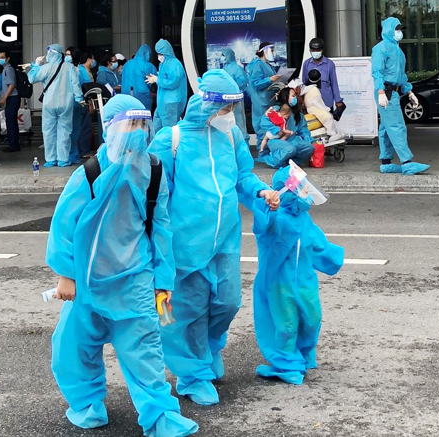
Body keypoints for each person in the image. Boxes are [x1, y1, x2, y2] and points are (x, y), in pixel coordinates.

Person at [47, 94, 199, 437]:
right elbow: (63, 226)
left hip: (134, 282)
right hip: (88, 283)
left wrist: (163, 280)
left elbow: (160, 228)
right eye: (130, 123)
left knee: (144, 351)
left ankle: (161, 415)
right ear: (109, 128)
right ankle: (86, 404)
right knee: (73, 348)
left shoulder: (153, 171)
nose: (138, 132)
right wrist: (65, 275)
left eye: (143, 124)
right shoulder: (89, 173)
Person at [148, 69, 280, 406]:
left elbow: (243, 176)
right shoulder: (170, 140)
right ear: (207, 105)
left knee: (227, 301)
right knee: (186, 311)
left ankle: (207, 349)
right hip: (184, 246)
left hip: (224, 241)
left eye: (234, 109)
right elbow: (155, 197)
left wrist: (262, 191)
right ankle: (192, 375)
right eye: (225, 109)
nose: (230, 116)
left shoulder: (232, 135)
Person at [251, 166, 344, 385]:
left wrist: (334, 257)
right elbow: (265, 227)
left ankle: (302, 353)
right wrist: (271, 210)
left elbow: (318, 244)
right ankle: (286, 363)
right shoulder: (279, 219)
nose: (305, 193)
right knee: (287, 325)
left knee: (312, 319)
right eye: (300, 189)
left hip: (305, 282)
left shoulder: (304, 219)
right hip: (279, 284)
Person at [372, 17, 430, 175]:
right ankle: (407, 162)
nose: (399, 32)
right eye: (396, 29)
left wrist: (409, 91)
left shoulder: (398, 51)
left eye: (400, 29)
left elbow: (401, 75)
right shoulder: (381, 48)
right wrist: (380, 91)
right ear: (389, 30)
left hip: (394, 92)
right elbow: (377, 72)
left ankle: (386, 162)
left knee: (386, 128)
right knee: (397, 127)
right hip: (387, 92)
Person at [28, 43, 84, 167]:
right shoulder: (69, 67)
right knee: (65, 131)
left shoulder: (45, 68)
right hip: (66, 104)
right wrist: (79, 98)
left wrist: (36, 64)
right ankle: (63, 159)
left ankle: (51, 159)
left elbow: (31, 79)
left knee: (48, 131)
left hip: (49, 104)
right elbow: (75, 84)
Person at [257, 87, 314, 168]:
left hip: (291, 139)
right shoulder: (276, 110)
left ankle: (292, 163)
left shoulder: (297, 114)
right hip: (276, 140)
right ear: (285, 97)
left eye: (295, 96)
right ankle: (272, 160)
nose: (295, 98)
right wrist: (277, 130)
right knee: (290, 149)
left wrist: (309, 141)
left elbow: (303, 130)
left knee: (309, 148)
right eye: (293, 96)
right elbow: (264, 122)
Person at [146, 39, 187, 131]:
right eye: (158, 54)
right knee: (156, 128)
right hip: (163, 103)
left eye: (160, 54)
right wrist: (157, 78)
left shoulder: (174, 64)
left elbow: (173, 82)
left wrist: (157, 80)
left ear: (166, 52)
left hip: (171, 103)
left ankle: (170, 146)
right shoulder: (164, 64)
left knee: (170, 132)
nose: (158, 56)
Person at [302, 69, 346, 145]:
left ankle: (334, 133)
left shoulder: (306, 88)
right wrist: (327, 109)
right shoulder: (314, 90)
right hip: (314, 109)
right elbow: (319, 104)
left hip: (311, 109)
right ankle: (331, 135)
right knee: (328, 116)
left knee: (328, 115)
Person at [247, 42, 281, 139]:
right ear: (264, 51)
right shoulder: (258, 65)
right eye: (271, 51)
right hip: (261, 103)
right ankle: (262, 152)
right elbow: (255, 84)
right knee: (263, 129)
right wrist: (269, 80)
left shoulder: (268, 65)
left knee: (272, 131)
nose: (273, 53)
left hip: (270, 101)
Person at [301, 38, 344, 111]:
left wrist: (338, 100)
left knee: (328, 120)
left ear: (322, 50)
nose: (315, 52)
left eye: (317, 50)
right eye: (313, 50)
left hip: (326, 102)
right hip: (311, 103)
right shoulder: (307, 64)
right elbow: (304, 83)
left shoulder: (329, 64)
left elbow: (334, 83)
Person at [221, 48, 250, 145]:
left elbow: (243, 82)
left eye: (224, 55)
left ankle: (243, 142)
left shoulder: (237, 68)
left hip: (236, 98)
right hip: (225, 99)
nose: (223, 58)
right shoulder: (224, 68)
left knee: (239, 120)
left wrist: (231, 86)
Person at [121, 44, 158, 111]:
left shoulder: (127, 64)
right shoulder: (149, 66)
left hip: (126, 94)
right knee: (143, 117)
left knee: (128, 117)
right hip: (143, 96)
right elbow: (156, 80)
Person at [0, 51, 21, 153]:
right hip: (11, 98)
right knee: (10, 121)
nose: (0, 59)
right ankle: (14, 143)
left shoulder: (9, 70)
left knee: (11, 122)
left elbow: (11, 85)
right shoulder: (5, 70)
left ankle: (14, 144)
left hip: (12, 98)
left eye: (2, 57)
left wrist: (4, 98)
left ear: (8, 59)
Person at [65, 47, 84, 165]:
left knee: (74, 130)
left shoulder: (78, 70)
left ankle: (72, 154)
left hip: (74, 103)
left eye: (69, 54)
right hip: (69, 102)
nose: (66, 56)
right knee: (68, 130)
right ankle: (70, 155)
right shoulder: (66, 69)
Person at [77, 52, 96, 158]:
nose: (93, 61)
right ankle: (84, 151)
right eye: (92, 59)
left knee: (84, 127)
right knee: (84, 127)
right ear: (88, 59)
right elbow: (86, 89)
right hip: (84, 102)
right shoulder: (82, 71)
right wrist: (90, 103)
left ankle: (83, 150)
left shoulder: (85, 71)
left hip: (85, 102)